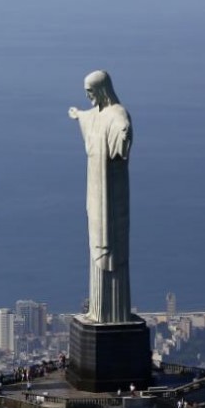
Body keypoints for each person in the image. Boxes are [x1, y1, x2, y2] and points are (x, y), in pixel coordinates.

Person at [69, 70, 133, 324]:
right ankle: (98, 311)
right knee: (96, 245)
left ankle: (114, 314)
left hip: (111, 193)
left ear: (102, 90)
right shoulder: (97, 114)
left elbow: (121, 129)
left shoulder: (118, 114)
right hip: (96, 191)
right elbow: (91, 119)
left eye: (91, 92)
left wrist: (124, 133)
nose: (88, 97)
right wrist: (78, 116)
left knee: (112, 250)